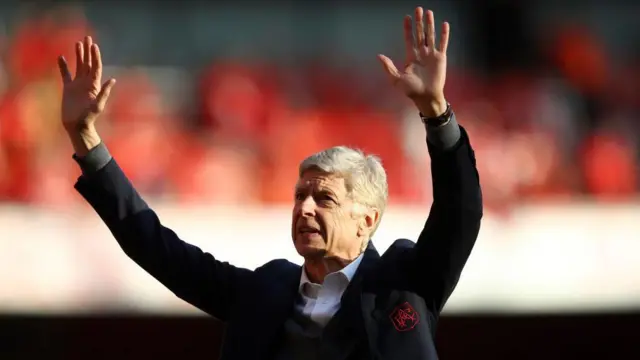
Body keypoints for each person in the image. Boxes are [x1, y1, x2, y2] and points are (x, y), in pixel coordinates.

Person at [57, 7, 482, 360]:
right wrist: (86, 140)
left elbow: (459, 212)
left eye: (325, 198)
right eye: (301, 195)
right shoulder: (265, 290)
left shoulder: (404, 281)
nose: (306, 208)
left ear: (367, 219)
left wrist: (436, 111)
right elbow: (153, 246)